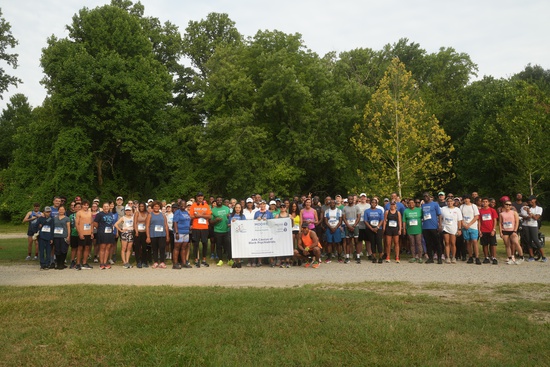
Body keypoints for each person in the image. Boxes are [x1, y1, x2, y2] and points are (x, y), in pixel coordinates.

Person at [189, 192, 212, 268]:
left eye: (201, 196)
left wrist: (201, 215)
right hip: (196, 227)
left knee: (205, 243)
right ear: (196, 197)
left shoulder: (206, 205)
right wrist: (196, 216)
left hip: (204, 228)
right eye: (198, 196)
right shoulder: (193, 206)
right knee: (196, 244)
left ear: (203, 197)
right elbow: (191, 216)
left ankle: (204, 260)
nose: (200, 197)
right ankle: (196, 260)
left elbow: (209, 216)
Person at [520, 196, 546, 262]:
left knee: (535, 239)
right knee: (528, 240)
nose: (530, 202)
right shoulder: (525, 207)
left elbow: (536, 218)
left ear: (535, 200)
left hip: (533, 225)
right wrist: (527, 215)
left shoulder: (539, 208)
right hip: (525, 225)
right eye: (528, 201)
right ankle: (531, 256)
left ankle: (543, 256)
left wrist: (529, 212)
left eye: (531, 200)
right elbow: (523, 216)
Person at [146, 200, 170, 269]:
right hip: (153, 234)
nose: (156, 207)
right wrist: (148, 236)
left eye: (158, 206)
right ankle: (155, 262)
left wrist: (167, 235)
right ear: (153, 207)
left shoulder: (163, 215)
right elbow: (147, 226)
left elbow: (166, 225)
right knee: (155, 249)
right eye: (155, 206)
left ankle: (162, 262)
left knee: (162, 248)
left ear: (160, 207)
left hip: (162, 234)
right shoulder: (150, 215)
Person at [499, 200, 524, 264]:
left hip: (512, 230)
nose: (508, 206)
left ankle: (521, 257)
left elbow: (517, 222)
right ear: (504, 205)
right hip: (505, 230)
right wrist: (500, 232)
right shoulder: (501, 214)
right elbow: (500, 223)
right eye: (506, 204)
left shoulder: (514, 212)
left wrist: (515, 230)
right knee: (507, 245)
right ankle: (510, 258)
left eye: (509, 205)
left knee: (516, 242)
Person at [439, 197, 463, 264]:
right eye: (448, 201)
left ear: (453, 202)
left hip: (453, 228)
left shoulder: (457, 210)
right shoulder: (443, 209)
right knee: (446, 242)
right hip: (445, 227)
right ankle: (447, 257)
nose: (449, 203)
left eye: (451, 201)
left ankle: (453, 257)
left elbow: (459, 220)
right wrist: (440, 225)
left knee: (453, 243)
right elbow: (440, 217)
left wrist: (459, 229)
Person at [421, 192, 442, 264]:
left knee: (437, 243)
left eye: (427, 196)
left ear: (430, 196)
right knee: (428, 243)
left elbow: (439, 215)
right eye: (424, 196)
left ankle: (439, 258)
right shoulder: (423, 205)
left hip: (433, 226)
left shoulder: (435, 204)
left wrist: (440, 225)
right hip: (425, 227)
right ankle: (430, 258)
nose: (425, 197)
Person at [94, 202, 116, 270]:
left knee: (108, 248)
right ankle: (101, 263)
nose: (106, 207)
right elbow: (95, 223)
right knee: (102, 247)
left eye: (107, 206)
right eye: (105, 206)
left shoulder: (111, 214)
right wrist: (100, 229)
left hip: (109, 233)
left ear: (109, 207)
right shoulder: (99, 214)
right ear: (102, 207)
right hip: (102, 233)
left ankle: (105, 262)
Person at [460, 194, 481, 265]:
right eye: (465, 198)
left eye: (467, 198)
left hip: (473, 227)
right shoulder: (462, 207)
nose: (466, 200)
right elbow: (460, 217)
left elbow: (476, 216)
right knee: (468, 242)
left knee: (475, 241)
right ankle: (470, 256)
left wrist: (469, 224)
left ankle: (477, 257)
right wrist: (464, 224)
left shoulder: (473, 206)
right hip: (465, 227)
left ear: (470, 199)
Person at [211, 196, 232, 267]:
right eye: (218, 200)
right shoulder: (213, 210)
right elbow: (211, 222)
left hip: (226, 230)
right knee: (218, 246)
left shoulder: (227, 208)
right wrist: (215, 220)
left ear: (222, 201)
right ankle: (220, 260)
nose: (219, 201)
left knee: (228, 245)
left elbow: (230, 217)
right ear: (216, 201)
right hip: (217, 230)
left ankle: (230, 259)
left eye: (220, 200)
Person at [173, 200, 193, 269]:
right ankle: (175, 263)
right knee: (177, 248)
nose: (183, 206)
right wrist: (176, 232)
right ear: (179, 205)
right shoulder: (177, 212)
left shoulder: (186, 212)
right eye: (182, 205)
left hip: (186, 232)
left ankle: (184, 263)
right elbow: (175, 222)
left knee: (184, 248)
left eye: (184, 205)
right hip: (180, 232)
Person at [479, 197, 499, 264]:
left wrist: (494, 229)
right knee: (484, 245)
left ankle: (494, 257)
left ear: (488, 203)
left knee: (493, 244)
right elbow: (479, 221)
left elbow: (495, 220)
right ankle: (486, 257)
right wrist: (479, 230)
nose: (484, 203)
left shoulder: (492, 210)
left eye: (486, 201)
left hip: (491, 230)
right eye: (483, 201)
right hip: (483, 230)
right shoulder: (480, 211)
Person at [364, 198, 385, 263]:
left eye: (375, 203)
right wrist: (371, 228)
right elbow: (365, 221)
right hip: (370, 229)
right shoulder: (367, 211)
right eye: (372, 202)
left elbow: (382, 220)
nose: (373, 204)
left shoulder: (380, 211)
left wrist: (377, 227)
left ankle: (380, 257)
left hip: (378, 229)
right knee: (372, 243)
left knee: (379, 242)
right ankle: (374, 257)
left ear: (376, 204)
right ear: (370, 203)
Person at [342, 195, 362, 264]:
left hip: (355, 226)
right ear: (347, 200)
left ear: (353, 200)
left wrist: (354, 226)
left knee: (356, 242)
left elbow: (358, 217)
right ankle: (347, 257)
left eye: (351, 199)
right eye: (349, 199)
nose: (350, 200)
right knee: (348, 242)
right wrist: (348, 226)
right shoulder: (345, 208)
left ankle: (358, 257)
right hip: (347, 226)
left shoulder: (357, 207)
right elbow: (344, 218)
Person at [75, 200, 94, 270]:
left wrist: (92, 232)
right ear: (82, 206)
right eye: (84, 205)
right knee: (80, 248)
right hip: (82, 233)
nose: (85, 206)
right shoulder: (79, 213)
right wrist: (80, 233)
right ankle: (77, 263)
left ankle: (84, 262)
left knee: (87, 248)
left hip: (88, 233)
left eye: (87, 205)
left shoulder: (90, 213)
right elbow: (77, 224)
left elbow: (92, 223)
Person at [403, 198, 423, 263]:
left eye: (412, 203)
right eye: (410, 203)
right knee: (412, 244)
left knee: (419, 243)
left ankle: (420, 257)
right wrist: (404, 229)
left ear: (414, 203)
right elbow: (404, 221)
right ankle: (413, 257)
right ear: (408, 204)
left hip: (418, 229)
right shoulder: (406, 211)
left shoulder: (419, 210)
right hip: (410, 230)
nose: (411, 204)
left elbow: (423, 218)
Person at [324, 199, 342, 264]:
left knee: (338, 243)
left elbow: (340, 221)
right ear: (329, 204)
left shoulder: (339, 211)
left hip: (336, 228)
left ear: (335, 204)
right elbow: (326, 221)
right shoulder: (326, 211)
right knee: (329, 243)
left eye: (333, 203)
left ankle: (339, 257)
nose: (332, 204)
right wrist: (330, 228)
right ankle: (329, 257)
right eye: (331, 203)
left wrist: (335, 228)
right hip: (329, 228)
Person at [228, 203, 246, 268]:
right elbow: (228, 225)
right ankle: (234, 261)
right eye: (236, 207)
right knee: (233, 248)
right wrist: (232, 222)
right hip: (232, 234)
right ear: (234, 208)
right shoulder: (231, 216)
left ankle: (239, 261)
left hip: (240, 234)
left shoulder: (242, 216)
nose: (237, 209)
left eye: (239, 207)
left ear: (241, 209)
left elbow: (244, 224)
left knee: (239, 247)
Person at [133, 202, 149, 268]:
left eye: (142, 206)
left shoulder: (147, 213)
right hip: (138, 232)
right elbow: (135, 223)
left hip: (144, 232)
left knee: (144, 247)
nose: (141, 208)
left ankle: (144, 261)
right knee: (137, 247)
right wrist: (136, 231)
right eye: (140, 206)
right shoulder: (137, 213)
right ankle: (138, 261)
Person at [68, 202, 81, 269]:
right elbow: (69, 226)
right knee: (73, 248)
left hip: (81, 234)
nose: (78, 208)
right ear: (74, 208)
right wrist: (69, 235)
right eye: (76, 207)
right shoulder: (71, 216)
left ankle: (78, 262)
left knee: (80, 248)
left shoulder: (83, 215)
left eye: (79, 207)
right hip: (74, 234)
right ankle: (72, 261)